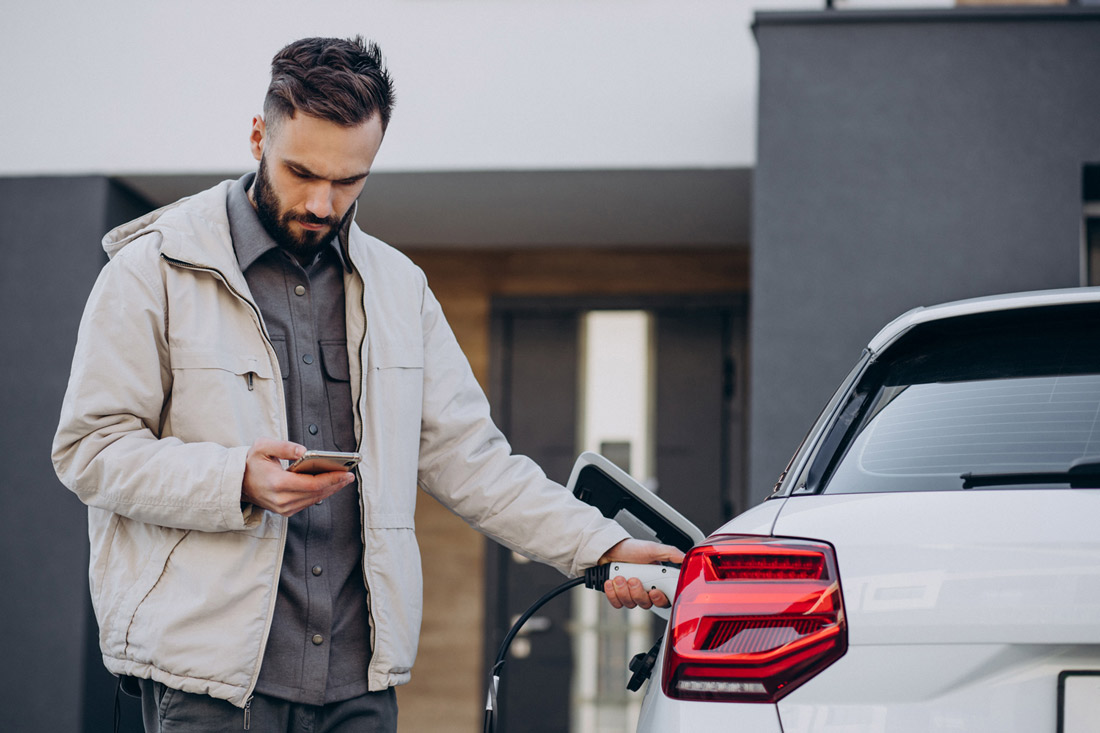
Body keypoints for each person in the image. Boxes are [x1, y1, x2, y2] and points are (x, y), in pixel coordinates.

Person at [52, 36, 682, 732]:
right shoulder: (152, 271)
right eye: (302, 172)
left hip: (358, 685)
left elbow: (476, 463)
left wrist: (601, 546)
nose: (323, 203)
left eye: (350, 181)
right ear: (258, 135)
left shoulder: (399, 290)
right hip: (211, 688)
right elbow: (90, 449)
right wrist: (235, 479)